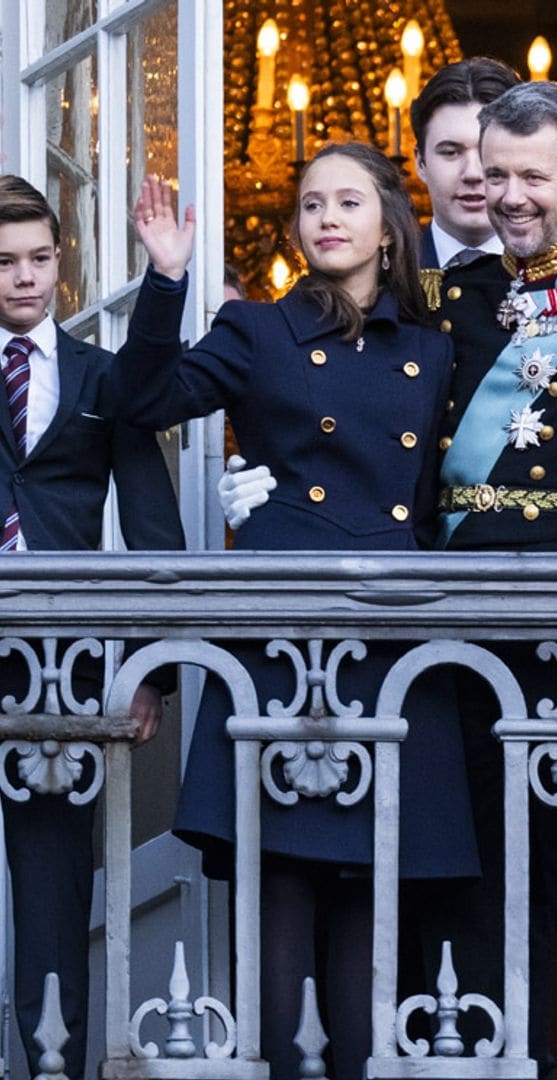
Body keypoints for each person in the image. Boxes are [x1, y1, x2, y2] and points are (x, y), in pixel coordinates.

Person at [221, 80, 557, 1080]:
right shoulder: (449, 301)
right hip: (454, 618)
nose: (508, 195)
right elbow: (357, 396)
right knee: (463, 875)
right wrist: (285, 466)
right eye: (493, 174)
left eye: (533, 176)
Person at [112, 147, 479, 1079]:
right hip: (281, 638)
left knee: (372, 914)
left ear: (388, 224)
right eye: (311, 204)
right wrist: (165, 281)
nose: (326, 218)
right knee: (278, 903)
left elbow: (463, 488)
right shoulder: (258, 330)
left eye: (348, 201)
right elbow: (144, 399)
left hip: (391, 636)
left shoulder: (437, 350)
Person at [0, 174, 184, 1080]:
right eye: (3, 261)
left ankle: (50, 1069)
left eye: (39, 258)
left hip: (58, 667)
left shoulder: (101, 377)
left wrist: (149, 667)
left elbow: (152, 527)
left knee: (50, 893)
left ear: (60, 262)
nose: (23, 278)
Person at [410, 56, 520, 270]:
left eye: (488, 151)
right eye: (451, 152)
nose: (473, 173)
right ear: (421, 162)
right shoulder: (381, 280)